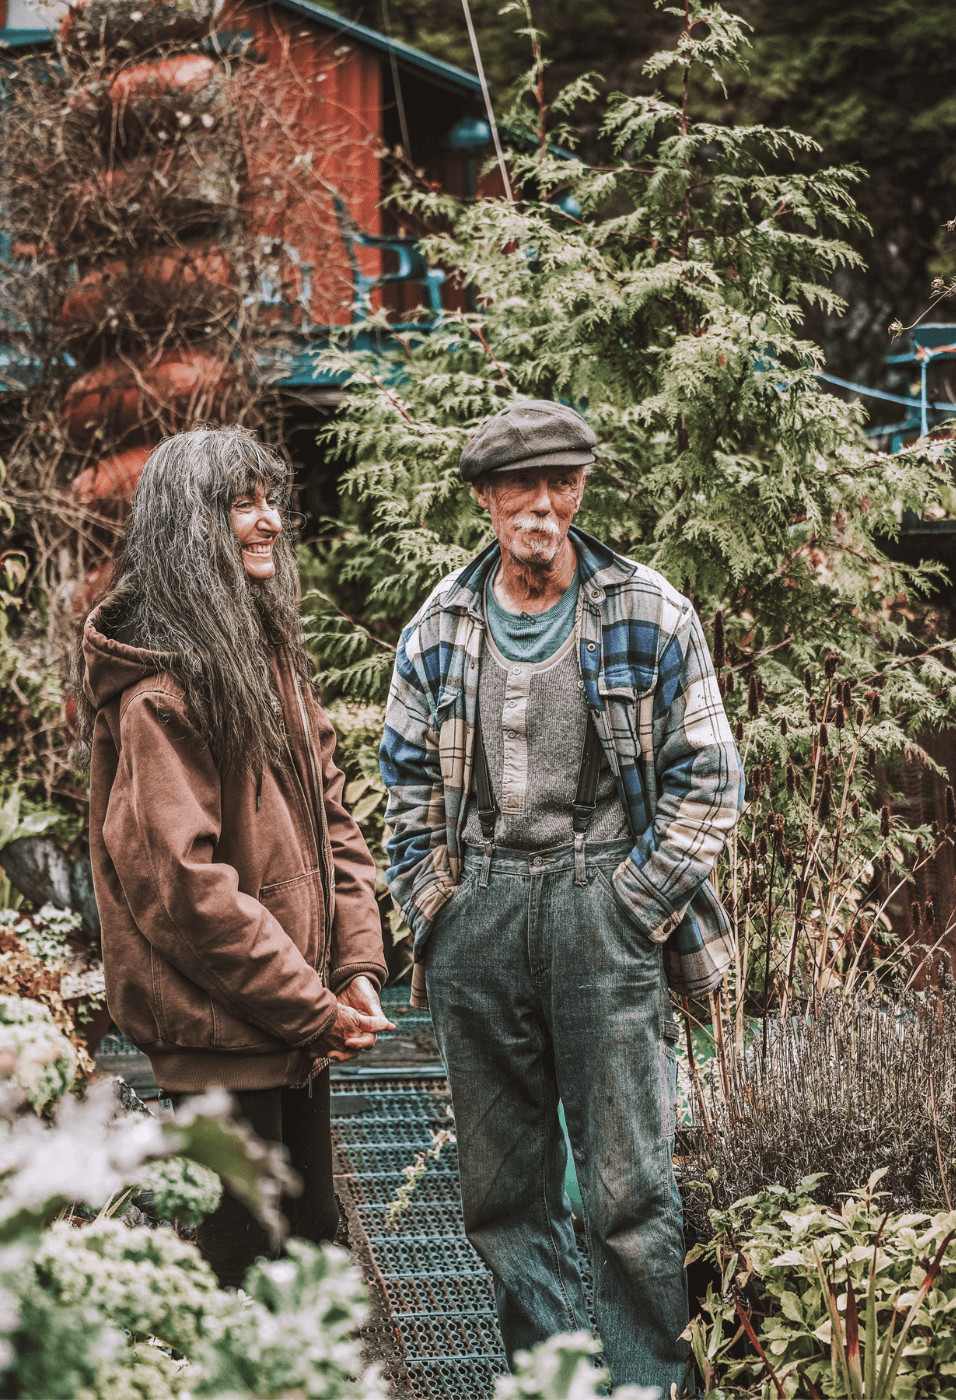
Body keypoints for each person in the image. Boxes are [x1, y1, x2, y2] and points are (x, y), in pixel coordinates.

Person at [380, 400, 743, 1395]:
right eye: (521, 486)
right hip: (480, 911)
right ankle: (550, 1380)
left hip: (601, 906)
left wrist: (637, 900)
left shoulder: (646, 608)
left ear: (581, 487)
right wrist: (432, 906)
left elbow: (710, 773)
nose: (544, 504)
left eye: (563, 482)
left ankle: (643, 1381)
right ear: (485, 497)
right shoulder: (438, 625)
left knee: (628, 1188)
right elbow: (403, 784)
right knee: (504, 1193)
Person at [77, 425, 393, 1287]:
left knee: (310, 1257)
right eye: (240, 505)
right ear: (189, 526)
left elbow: (334, 816)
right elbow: (187, 895)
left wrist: (357, 964)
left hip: (291, 1024)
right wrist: (313, 1008)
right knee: (245, 1282)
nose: (269, 522)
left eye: (271, 500)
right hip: (225, 1043)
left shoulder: (262, 655)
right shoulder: (159, 692)